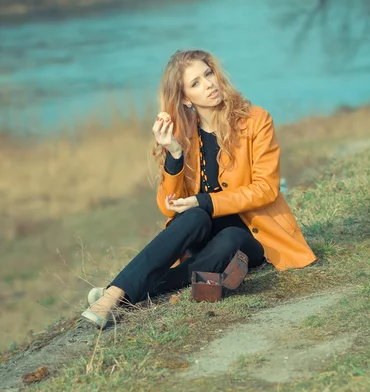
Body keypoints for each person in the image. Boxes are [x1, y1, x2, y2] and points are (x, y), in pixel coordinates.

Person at [82, 49, 316, 329]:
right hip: (201, 237)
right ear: (184, 98)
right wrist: (174, 155)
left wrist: (205, 201)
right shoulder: (182, 135)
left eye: (208, 74)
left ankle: (113, 294)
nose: (209, 85)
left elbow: (266, 189)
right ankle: (118, 293)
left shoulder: (255, 120)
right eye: (195, 83)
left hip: (250, 236)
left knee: (229, 236)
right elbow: (169, 206)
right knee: (193, 217)